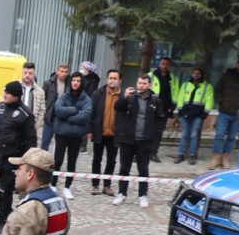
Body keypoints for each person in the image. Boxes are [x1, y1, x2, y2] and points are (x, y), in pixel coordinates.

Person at [0, 81, 35, 234]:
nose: (4, 95)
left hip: (12, 157)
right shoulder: (0, 107)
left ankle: (1, 221)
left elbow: (31, 140)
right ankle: (7, 211)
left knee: (6, 189)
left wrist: (24, 161)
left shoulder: (25, 114)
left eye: (7, 92)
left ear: (16, 95)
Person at [112, 74, 165, 209]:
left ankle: (143, 195)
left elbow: (160, 120)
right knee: (124, 168)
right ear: (137, 83)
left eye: (144, 83)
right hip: (127, 138)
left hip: (144, 140)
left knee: (143, 169)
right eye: (139, 83)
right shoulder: (130, 97)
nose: (141, 86)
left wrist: (155, 136)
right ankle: (122, 193)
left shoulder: (155, 100)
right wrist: (124, 97)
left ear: (149, 85)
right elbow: (117, 107)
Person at [49, 72, 91, 201]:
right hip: (61, 134)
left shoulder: (86, 99)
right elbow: (59, 110)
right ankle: (53, 185)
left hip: (76, 136)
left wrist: (68, 117)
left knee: (72, 162)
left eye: (78, 80)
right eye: (74, 80)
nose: (75, 83)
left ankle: (67, 187)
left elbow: (85, 115)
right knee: (57, 161)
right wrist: (74, 110)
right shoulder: (63, 96)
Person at [210, 55, 239, 170]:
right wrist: (221, 102)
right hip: (224, 111)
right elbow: (217, 89)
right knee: (219, 135)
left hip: (238, 114)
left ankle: (225, 158)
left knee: (231, 137)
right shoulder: (228, 75)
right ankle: (216, 157)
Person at [88, 68, 121, 196]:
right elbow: (92, 112)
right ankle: (95, 185)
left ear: (119, 80)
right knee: (97, 159)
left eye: (115, 78)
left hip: (114, 134)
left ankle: (107, 186)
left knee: (111, 161)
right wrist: (90, 129)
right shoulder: (98, 93)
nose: (112, 81)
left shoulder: (123, 96)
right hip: (99, 132)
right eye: (110, 78)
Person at [175, 68, 213, 166]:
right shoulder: (185, 85)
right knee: (184, 135)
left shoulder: (207, 87)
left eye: (198, 73)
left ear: (202, 75)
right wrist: (180, 110)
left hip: (198, 115)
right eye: (194, 73)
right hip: (186, 114)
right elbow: (180, 98)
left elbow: (209, 101)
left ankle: (192, 155)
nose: (196, 75)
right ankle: (181, 155)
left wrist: (205, 113)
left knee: (194, 135)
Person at [148, 57, 178, 162]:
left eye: (166, 64)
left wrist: (172, 107)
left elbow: (175, 95)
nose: (164, 66)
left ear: (169, 66)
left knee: (158, 132)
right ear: (159, 64)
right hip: (151, 108)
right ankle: (142, 153)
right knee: (147, 130)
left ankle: (153, 153)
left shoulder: (173, 79)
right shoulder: (151, 76)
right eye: (162, 63)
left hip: (164, 109)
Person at [41, 62, 70, 152]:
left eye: (66, 72)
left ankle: (56, 161)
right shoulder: (48, 83)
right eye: (62, 71)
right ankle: (42, 161)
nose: (64, 74)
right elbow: (43, 99)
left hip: (63, 116)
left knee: (60, 142)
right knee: (45, 140)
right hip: (51, 115)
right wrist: (45, 113)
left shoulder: (70, 84)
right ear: (57, 71)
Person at [19, 62, 44, 142]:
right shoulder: (15, 87)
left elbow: (42, 110)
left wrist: (36, 125)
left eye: (30, 73)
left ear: (34, 74)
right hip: (15, 125)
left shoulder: (40, 91)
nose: (27, 75)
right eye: (25, 73)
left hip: (30, 127)